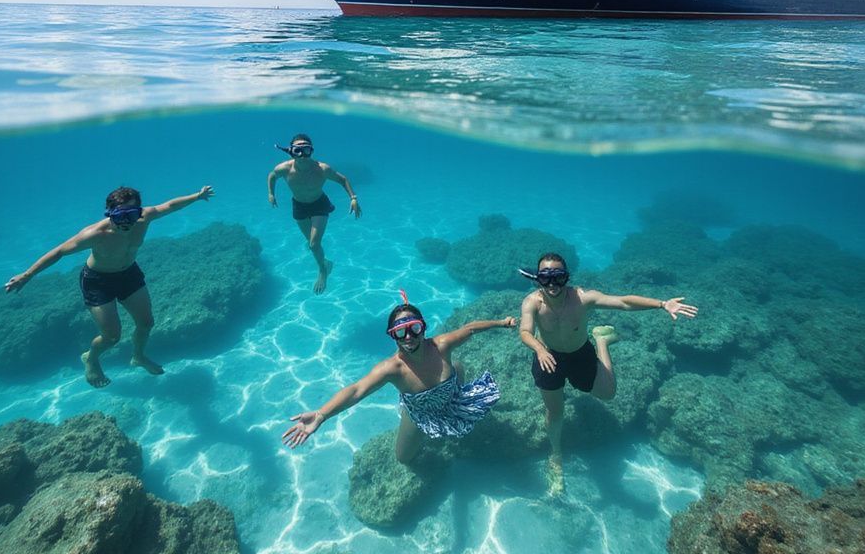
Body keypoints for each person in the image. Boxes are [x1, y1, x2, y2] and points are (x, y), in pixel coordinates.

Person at [518, 252, 698, 496]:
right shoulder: (532, 302)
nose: (552, 284)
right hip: (547, 356)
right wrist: (539, 349)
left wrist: (662, 304)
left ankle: (601, 340)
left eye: (558, 277)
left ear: (567, 278)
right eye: (545, 278)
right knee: (555, 411)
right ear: (538, 279)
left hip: (579, 353)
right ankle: (556, 453)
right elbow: (525, 330)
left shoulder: (583, 298)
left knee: (608, 393)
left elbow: (623, 302)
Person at [4, 184, 214, 388]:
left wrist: (197, 196)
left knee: (146, 323)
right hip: (97, 282)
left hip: (129, 275)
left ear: (139, 212)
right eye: (118, 217)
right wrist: (27, 275)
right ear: (109, 214)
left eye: (130, 215)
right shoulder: (95, 234)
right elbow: (59, 252)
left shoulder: (145, 217)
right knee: (112, 337)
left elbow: (169, 206)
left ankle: (138, 357)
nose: (125, 223)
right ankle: (91, 359)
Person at [282, 292, 516, 463]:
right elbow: (356, 390)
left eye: (413, 328)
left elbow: (471, 328)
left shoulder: (441, 345)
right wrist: (322, 415)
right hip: (421, 411)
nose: (408, 337)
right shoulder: (391, 369)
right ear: (392, 336)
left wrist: (502, 323)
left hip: (451, 393)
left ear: (423, 328)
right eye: (400, 332)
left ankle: (455, 382)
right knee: (404, 458)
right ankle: (414, 412)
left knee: (456, 366)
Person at [267, 133, 361, 293]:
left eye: (306, 149)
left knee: (313, 244)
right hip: (299, 206)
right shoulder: (283, 169)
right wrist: (271, 193)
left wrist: (353, 198)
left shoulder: (322, 169)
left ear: (312, 151)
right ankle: (325, 262)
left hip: (319, 205)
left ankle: (323, 272)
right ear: (291, 151)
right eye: (298, 150)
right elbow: (272, 176)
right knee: (312, 245)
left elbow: (342, 179)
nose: (302, 154)